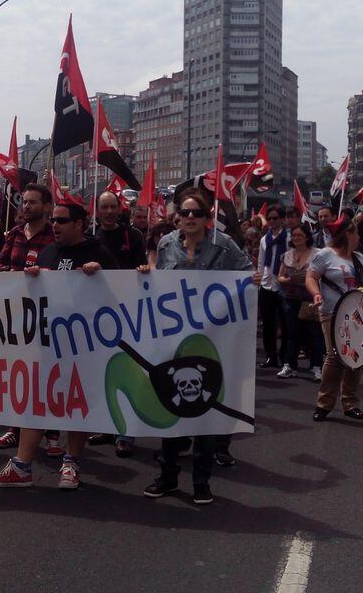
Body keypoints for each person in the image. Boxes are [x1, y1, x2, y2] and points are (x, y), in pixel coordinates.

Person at [0, 201, 118, 490]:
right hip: (46, 341)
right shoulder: (47, 253)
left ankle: (71, 463)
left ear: (79, 224)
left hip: (84, 343)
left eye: (62, 220)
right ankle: (22, 466)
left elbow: (118, 296)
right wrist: (32, 277)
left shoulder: (98, 252)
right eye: (53, 220)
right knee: (36, 399)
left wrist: (102, 275)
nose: (54, 225)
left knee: (78, 403)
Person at [140, 189, 252, 505]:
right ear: (177, 216)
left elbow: (246, 273)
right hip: (174, 342)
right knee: (173, 406)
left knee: (204, 412)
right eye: (185, 213)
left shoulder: (223, 245)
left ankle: (201, 481)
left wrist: (250, 282)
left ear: (207, 218)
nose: (190, 218)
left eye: (197, 213)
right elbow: (160, 284)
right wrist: (146, 274)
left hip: (212, 341)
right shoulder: (166, 245)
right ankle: (168, 476)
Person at [0, 184, 58, 453]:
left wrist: (42, 273)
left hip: (46, 316)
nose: (26, 206)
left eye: (33, 202)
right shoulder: (15, 233)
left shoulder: (55, 236)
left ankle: (52, 434)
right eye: (25, 202)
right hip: (16, 316)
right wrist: (16, 273)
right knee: (17, 373)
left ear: (47, 206)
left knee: (47, 374)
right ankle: (14, 428)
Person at [88, 191, 148, 456]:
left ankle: (126, 433)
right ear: (98, 210)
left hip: (126, 311)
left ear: (119, 208)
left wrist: (144, 270)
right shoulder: (90, 238)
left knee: (128, 371)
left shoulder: (133, 236)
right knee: (102, 372)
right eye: (105, 207)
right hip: (96, 313)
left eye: (113, 206)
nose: (110, 211)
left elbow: (140, 268)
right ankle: (106, 425)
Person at [307, 218, 363, 422]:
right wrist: (316, 294)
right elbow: (311, 277)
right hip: (332, 312)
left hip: (360, 314)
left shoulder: (360, 258)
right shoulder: (324, 255)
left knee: (356, 358)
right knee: (335, 355)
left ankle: (350, 403)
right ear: (347, 234)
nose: (359, 237)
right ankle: (324, 404)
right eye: (356, 233)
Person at [276, 223, 324, 381]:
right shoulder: (287, 255)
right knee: (292, 333)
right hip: (291, 298)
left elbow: (322, 274)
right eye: (294, 235)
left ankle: (317, 366)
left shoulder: (317, 254)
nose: (296, 238)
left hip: (310, 299)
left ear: (307, 237)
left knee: (315, 333)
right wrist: (288, 279)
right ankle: (290, 365)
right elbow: (280, 276)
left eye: (300, 235)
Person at [254, 205, 288, 368]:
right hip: (267, 284)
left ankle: (285, 356)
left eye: (276, 218)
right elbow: (261, 262)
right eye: (270, 218)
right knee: (268, 324)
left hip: (283, 286)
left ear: (282, 219)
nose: (273, 221)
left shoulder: (288, 238)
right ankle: (271, 356)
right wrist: (259, 279)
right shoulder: (264, 239)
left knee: (286, 323)